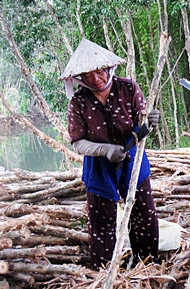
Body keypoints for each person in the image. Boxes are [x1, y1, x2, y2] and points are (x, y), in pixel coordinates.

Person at [59, 38, 159, 270]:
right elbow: (77, 142)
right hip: (98, 164)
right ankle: (104, 272)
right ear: (79, 78)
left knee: (144, 213)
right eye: (88, 75)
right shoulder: (78, 102)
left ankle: (147, 266)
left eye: (100, 71)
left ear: (109, 68)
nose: (96, 78)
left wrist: (150, 121)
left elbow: (142, 123)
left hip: (132, 156)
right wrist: (104, 150)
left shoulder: (128, 88)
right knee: (101, 221)